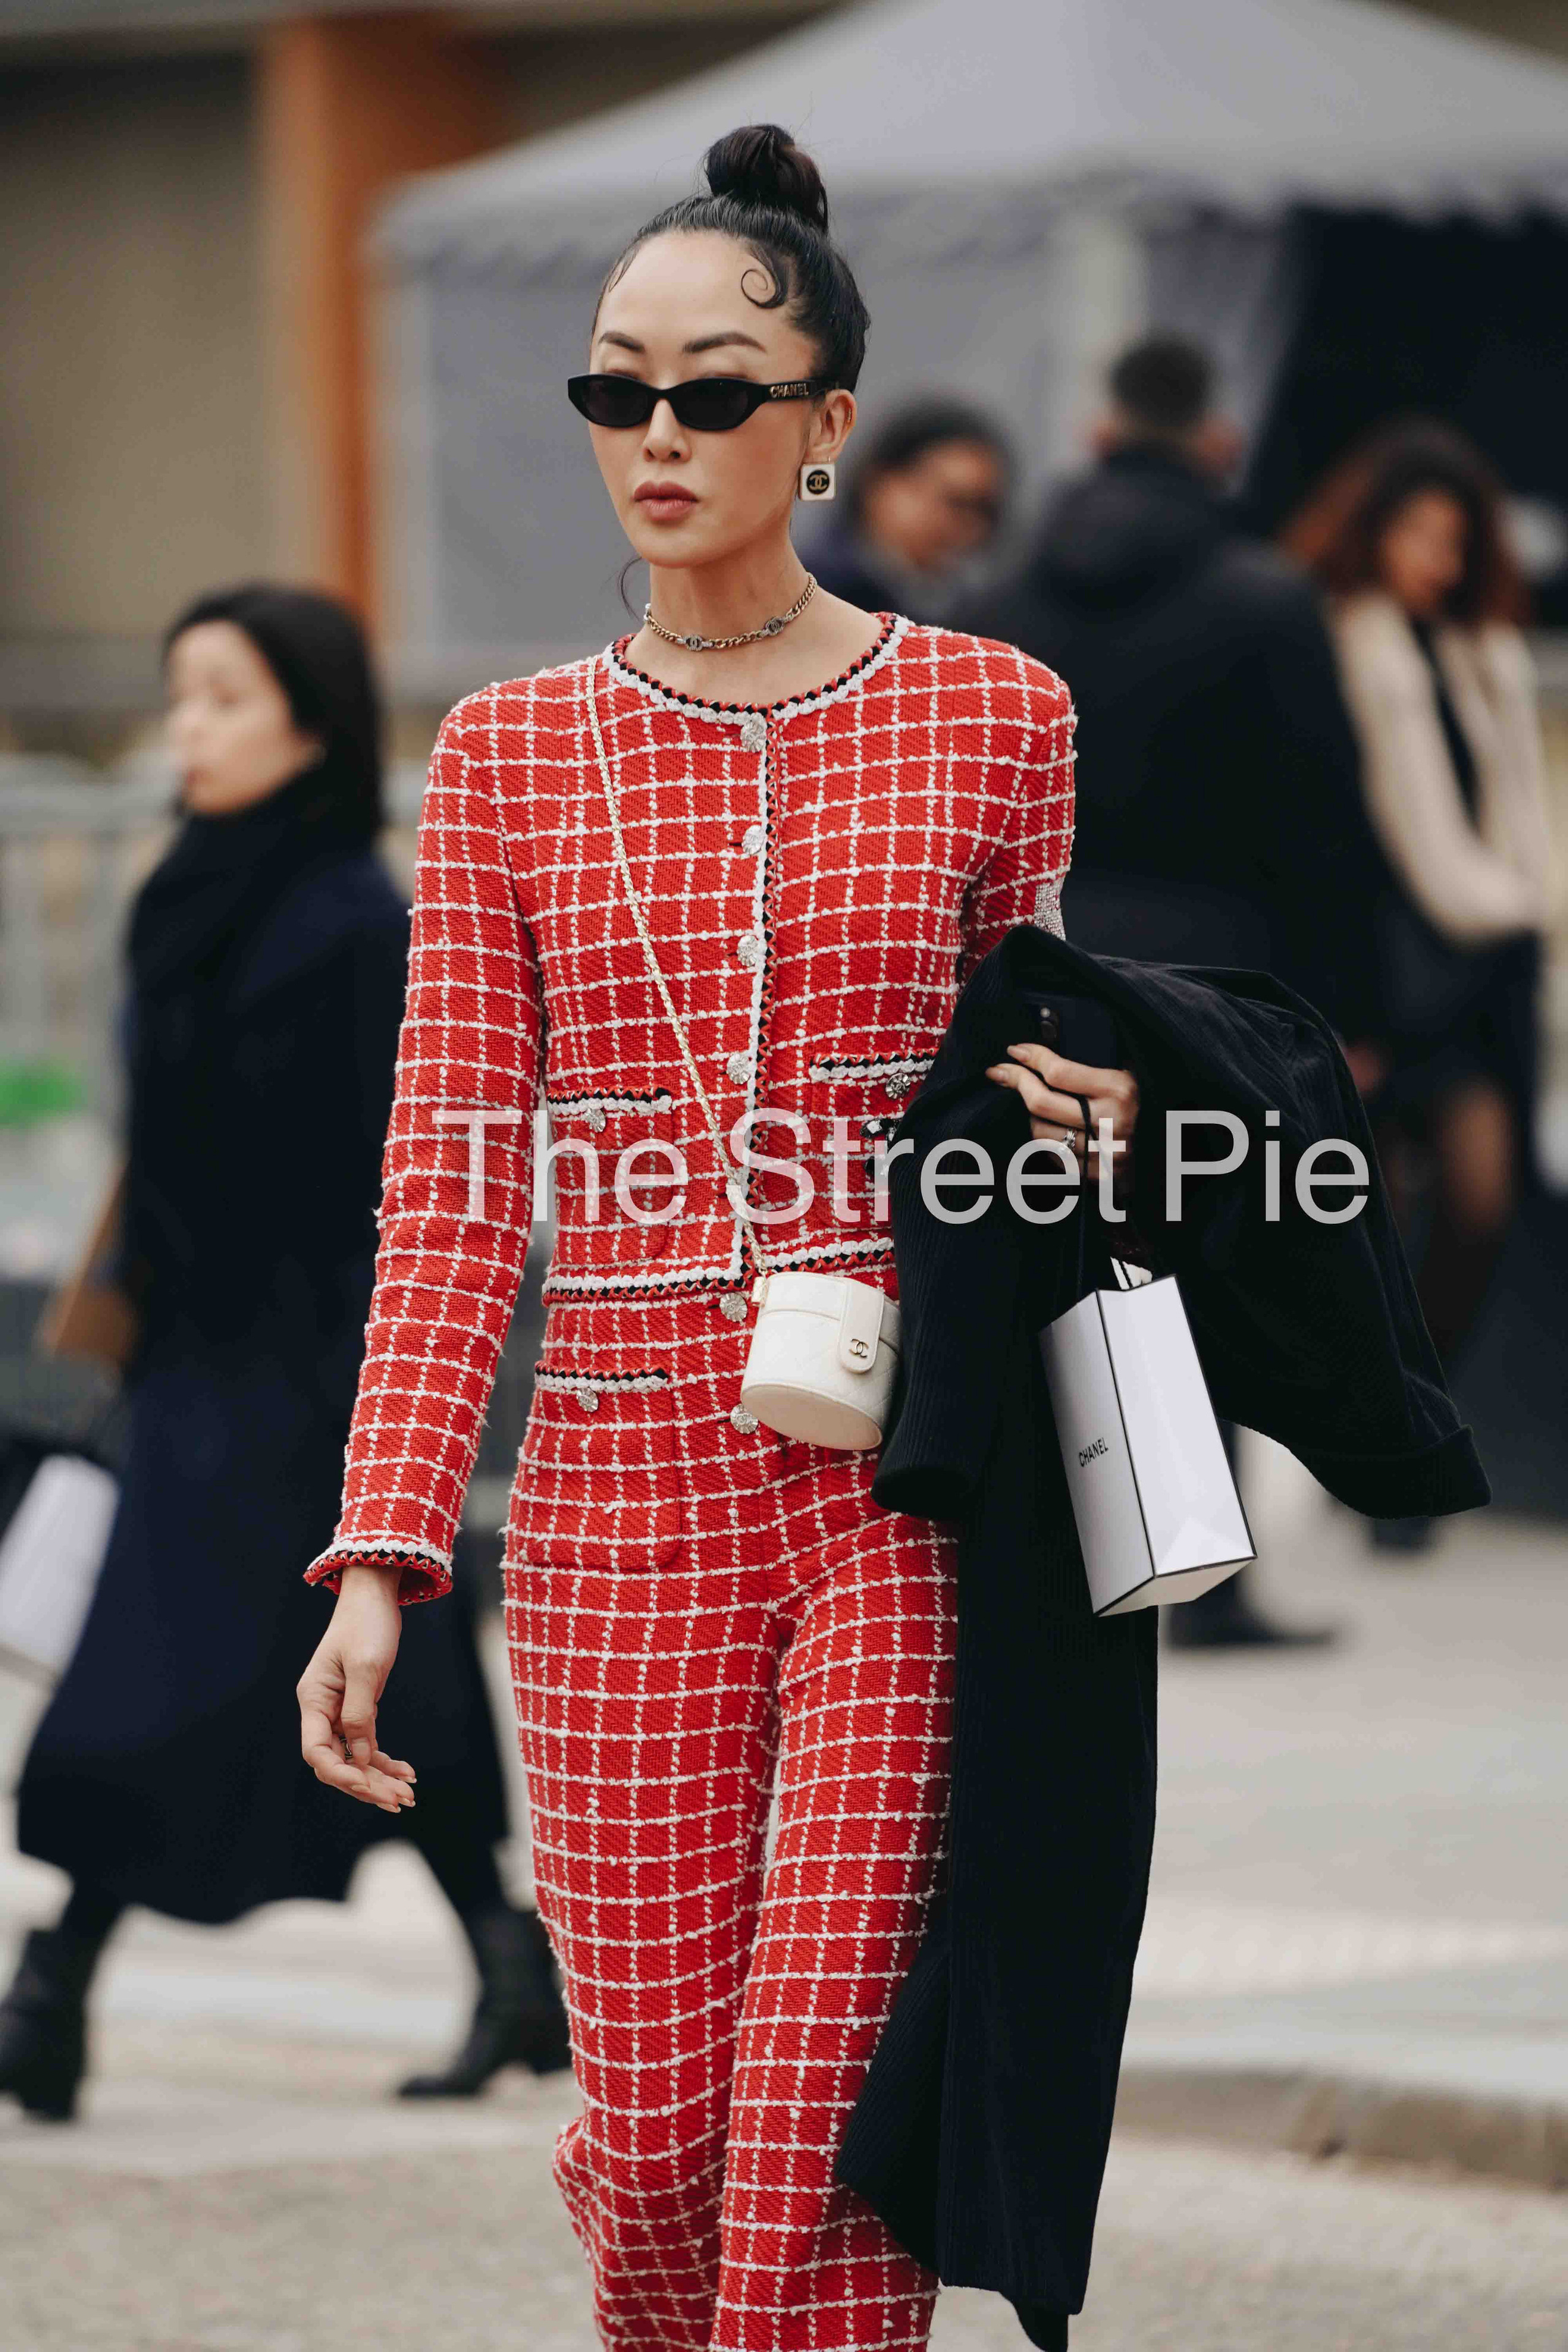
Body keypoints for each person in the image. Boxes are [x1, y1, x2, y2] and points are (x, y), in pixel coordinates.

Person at [295, 124, 1139, 2352]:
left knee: (821, 2123)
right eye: (613, 391)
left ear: (826, 422)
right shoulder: (500, 755)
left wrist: (1089, 1108)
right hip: (609, 1487)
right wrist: (387, 1545)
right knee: (653, 2141)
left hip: (897, 1481)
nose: (654, 437)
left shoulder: (994, 718)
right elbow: (452, 1168)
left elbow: (1036, 1080)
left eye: (712, 391)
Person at [0, 586, 567, 2124]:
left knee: (239, 1684)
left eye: (223, 698)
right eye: (179, 694)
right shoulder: (182, 892)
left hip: (319, 1369)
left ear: (309, 723)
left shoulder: (359, 923)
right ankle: (505, 1967)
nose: (186, 727)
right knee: (239, 1682)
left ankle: (52, 1987)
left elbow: (388, 1175)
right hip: (193, 1365)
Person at [968, 333, 1387, 1648]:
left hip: (1045, 967)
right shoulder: (1261, 600)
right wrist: (1347, 1018)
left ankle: (1046, 1554)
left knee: (1056, 1257)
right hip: (1215, 977)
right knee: (1204, 1257)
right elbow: (1326, 824)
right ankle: (1201, 1577)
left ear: (1095, 437)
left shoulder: (996, 602)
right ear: (1213, 444)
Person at [1284, 422, 1555, 1548]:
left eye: (1455, 537)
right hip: (1382, 972)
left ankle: (1402, 1435)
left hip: (1484, 961)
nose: (1436, 558)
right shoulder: (1338, 645)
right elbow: (1326, 842)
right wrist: (1338, 1004)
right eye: (1416, 533)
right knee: (1372, 1227)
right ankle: (1377, 1452)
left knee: (1480, 1208)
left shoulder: (1483, 653)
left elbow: (1516, 817)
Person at [811, 395, 1011, 621]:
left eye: (983, 510)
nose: (966, 525)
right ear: (881, 482)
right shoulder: (814, 595)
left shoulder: (976, 613)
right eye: (955, 502)